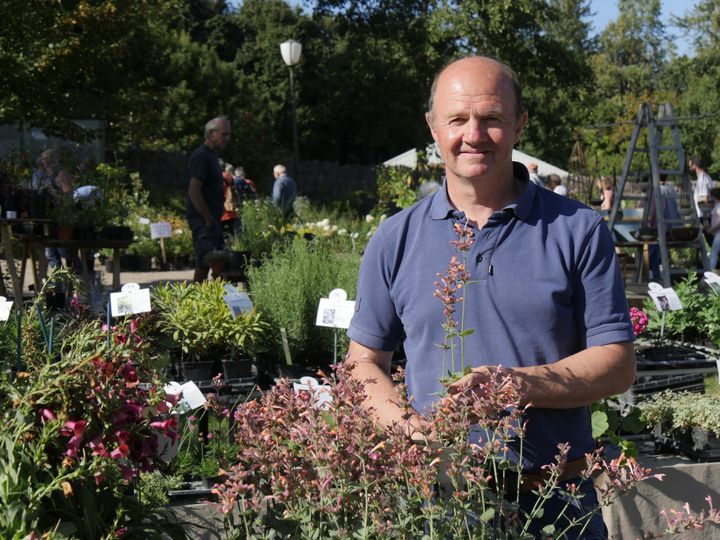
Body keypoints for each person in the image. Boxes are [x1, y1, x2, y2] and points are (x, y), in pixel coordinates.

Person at [346, 56, 635, 538]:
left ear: (519, 125)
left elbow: (618, 363)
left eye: (492, 118)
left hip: (554, 500)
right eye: (457, 119)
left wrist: (518, 385)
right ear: (433, 127)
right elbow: (363, 362)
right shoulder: (395, 238)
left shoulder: (577, 230)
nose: (474, 134)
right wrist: (411, 431)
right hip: (438, 500)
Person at [186, 116, 231, 282]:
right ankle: (194, 303)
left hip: (212, 219)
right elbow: (194, 189)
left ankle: (216, 301)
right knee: (204, 261)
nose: (227, 139)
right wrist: (207, 218)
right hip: (203, 219)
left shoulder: (211, 156)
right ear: (212, 133)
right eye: (224, 134)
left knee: (218, 261)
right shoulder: (202, 156)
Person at [34, 149, 73, 269]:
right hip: (49, 218)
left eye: (47, 159)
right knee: (50, 252)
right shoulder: (45, 176)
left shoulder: (61, 173)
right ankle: (60, 281)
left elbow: (68, 193)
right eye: (44, 159)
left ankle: (83, 273)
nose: (45, 162)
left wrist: (60, 204)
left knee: (64, 251)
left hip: (60, 217)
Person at [220, 163, 239, 236]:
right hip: (232, 210)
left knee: (223, 237)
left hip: (222, 213)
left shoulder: (217, 177)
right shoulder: (230, 177)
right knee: (233, 235)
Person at [706, 187, 720, 271]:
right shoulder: (716, 206)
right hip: (717, 233)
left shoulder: (719, 206)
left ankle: (709, 273)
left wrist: (712, 229)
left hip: (719, 233)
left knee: (714, 253)